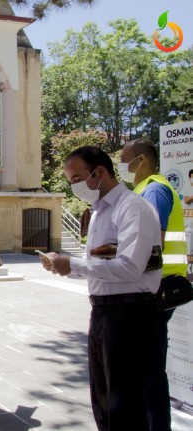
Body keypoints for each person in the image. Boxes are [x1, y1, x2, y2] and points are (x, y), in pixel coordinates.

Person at [40, 146, 163, 431]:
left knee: (126, 405)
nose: (74, 187)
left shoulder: (133, 207)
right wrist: (66, 268)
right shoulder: (98, 212)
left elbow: (129, 267)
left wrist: (73, 264)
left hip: (130, 314)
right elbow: (97, 264)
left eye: (77, 179)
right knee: (103, 400)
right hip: (103, 314)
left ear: (100, 172)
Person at [119, 138, 187, 431]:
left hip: (156, 289)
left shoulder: (155, 189)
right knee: (146, 366)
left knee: (149, 369)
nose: (121, 162)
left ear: (142, 160)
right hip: (153, 286)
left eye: (125, 157)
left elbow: (151, 243)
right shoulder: (142, 190)